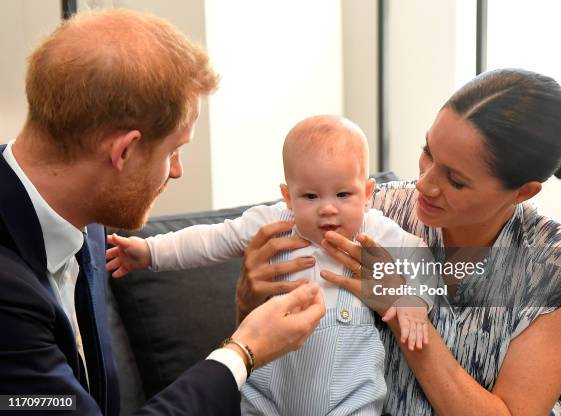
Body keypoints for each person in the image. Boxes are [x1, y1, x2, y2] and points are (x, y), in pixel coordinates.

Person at [0, 9, 325, 416]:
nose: (176, 170)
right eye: (174, 150)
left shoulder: (87, 214)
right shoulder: (8, 293)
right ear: (124, 151)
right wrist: (244, 351)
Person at [236, 69, 561, 415]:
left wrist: (402, 312)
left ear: (523, 192)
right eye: (427, 152)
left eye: (456, 180)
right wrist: (248, 301)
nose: (425, 184)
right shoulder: (372, 212)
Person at [105, 114, 436, 415]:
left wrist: (413, 300)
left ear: (366, 193)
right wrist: (149, 252)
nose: (328, 209)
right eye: (310, 196)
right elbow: (212, 240)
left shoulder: (374, 230)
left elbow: (421, 256)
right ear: (288, 196)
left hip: (350, 402)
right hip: (269, 398)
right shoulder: (272, 222)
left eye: (343, 195)